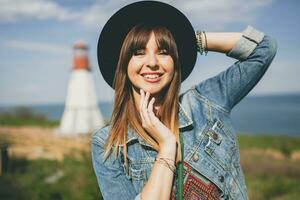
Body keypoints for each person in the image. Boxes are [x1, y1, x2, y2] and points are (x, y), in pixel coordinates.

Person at [91, 1, 277, 200]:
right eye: (139, 53)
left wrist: (191, 40)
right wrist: (167, 146)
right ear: (124, 64)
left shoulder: (205, 103)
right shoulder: (107, 143)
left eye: (163, 52)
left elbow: (264, 48)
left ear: (175, 61)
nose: (152, 63)